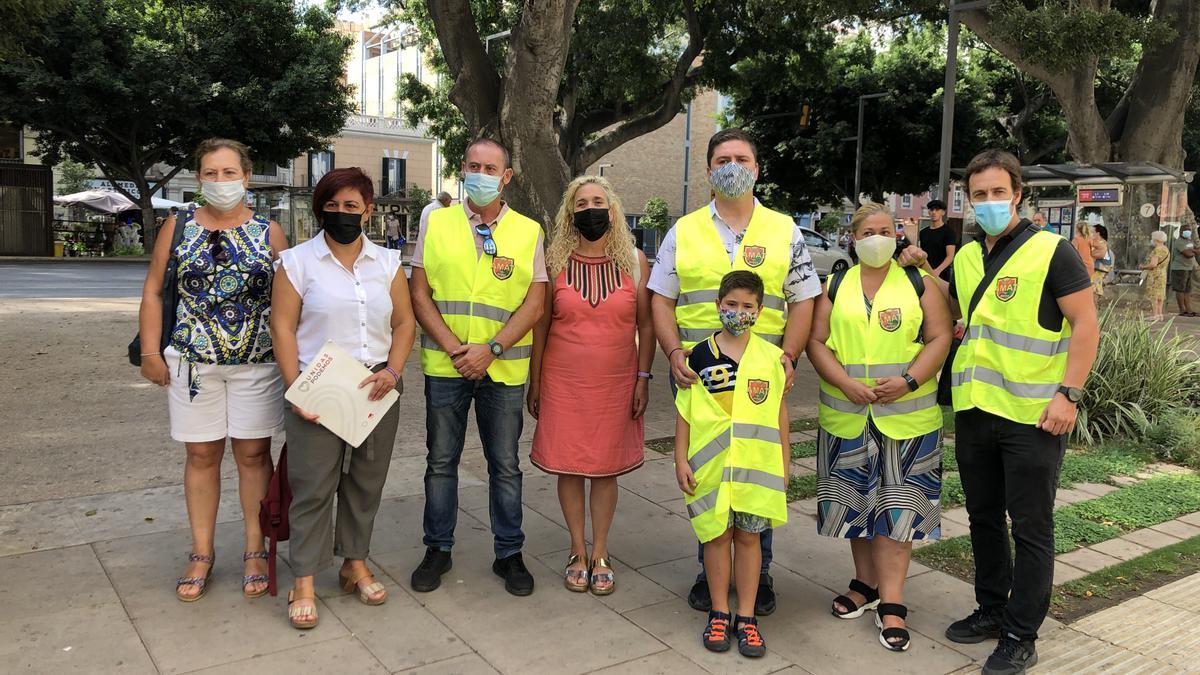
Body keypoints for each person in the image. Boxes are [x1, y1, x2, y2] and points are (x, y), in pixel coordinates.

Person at [898, 149, 1098, 675]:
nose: (988, 202)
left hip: (1034, 415)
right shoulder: (965, 256)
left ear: (1018, 194)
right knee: (984, 517)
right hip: (975, 409)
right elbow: (967, 309)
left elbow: (1085, 325)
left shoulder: (1054, 251)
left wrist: (1068, 395)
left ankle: (1020, 633)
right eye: (978, 194)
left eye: (997, 192)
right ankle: (991, 609)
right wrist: (927, 273)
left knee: (1031, 526)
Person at [649, 128, 821, 616]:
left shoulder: (785, 229)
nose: (732, 165)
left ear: (757, 168)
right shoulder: (683, 231)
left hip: (760, 377)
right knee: (705, 474)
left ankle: (758, 574)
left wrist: (789, 356)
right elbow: (660, 298)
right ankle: (710, 572)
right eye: (722, 158)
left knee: (756, 472)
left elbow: (804, 299)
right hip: (698, 373)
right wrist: (672, 353)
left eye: (742, 158)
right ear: (708, 170)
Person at [137, 138, 289, 603]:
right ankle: (201, 552)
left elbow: (290, 301)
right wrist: (149, 351)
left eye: (228, 173)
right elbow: (153, 291)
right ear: (199, 179)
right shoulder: (177, 225)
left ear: (246, 176)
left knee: (252, 457)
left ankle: (253, 550)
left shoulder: (270, 231)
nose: (219, 182)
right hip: (191, 366)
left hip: (256, 366)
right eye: (210, 173)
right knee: (201, 457)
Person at [269, 167, 415, 629]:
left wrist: (393, 370)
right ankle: (306, 578)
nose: (342, 214)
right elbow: (283, 327)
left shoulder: (388, 264)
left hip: (376, 384)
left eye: (352, 206)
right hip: (318, 384)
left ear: (369, 211)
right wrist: (295, 388)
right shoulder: (296, 263)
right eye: (332, 206)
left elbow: (404, 323)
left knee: (365, 482)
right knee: (313, 487)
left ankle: (354, 562)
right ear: (320, 210)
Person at [807, 203, 952, 653]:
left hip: (906, 421)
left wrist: (908, 380)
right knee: (856, 509)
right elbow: (816, 340)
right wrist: (844, 382)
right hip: (847, 417)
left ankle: (892, 601)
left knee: (898, 512)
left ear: (899, 235)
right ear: (852, 238)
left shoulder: (918, 282)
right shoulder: (836, 284)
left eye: (886, 230)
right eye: (868, 231)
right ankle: (864, 585)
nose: (877, 237)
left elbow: (940, 336)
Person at [408, 139, 546, 596]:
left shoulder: (528, 231)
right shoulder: (437, 222)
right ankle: (437, 549)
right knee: (440, 463)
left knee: (505, 465)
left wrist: (491, 348)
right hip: (446, 368)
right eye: (474, 166)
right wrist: (455, 349)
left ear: (507, 176)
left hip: (503, 370)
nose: (482, 174)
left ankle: (509, 553)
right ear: (462, 170)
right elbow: (420, 292)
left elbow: (535, 302)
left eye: (492, 168)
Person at [527, 176, 654, 595]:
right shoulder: (554, 261)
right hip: (563, 381)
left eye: (598, 201)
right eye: (581, 203)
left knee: (604, 469)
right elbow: (541, 325)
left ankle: (600, 552)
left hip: (617, 381)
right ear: (570, 213)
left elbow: (647, 324)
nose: (590, 209)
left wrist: (643, 377)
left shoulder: (634, 261)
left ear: (613, 210)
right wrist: (536, 381)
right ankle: (575, 549)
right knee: (569, 464)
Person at [674, 270, 789, 659]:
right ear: (717, 306)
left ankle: (747, 617)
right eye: (731, 305)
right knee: (716, 536)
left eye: (747, 306)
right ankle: (719, 611)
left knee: (750, 539)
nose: (738, 312)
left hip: (755, 469)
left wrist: (785, 464)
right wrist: (680, 458)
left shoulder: (772, 358)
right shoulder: (699, 355)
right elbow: (685, 411)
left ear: (760, 311)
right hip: (711, 467)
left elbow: (779, 414)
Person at [919, 199, 957, 281]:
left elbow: (950, 256)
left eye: (937, 210)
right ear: (928, 212)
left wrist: (937, 271)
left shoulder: (949, 232)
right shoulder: (923, 232)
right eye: (931, 210)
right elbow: (922, 253)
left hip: (941, 274)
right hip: (924, 273)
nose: (934, 212)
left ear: (943, 212)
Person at [1141, 230, 1170, 321]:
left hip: (1155, 275)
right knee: (1160, 295)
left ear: (1156, 239)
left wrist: (1143, 267)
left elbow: (1153, 264)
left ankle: (1155, 315)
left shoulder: (1157, 250)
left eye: (1152, 238)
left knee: (1154, 295)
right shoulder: (1166, 249)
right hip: (1163, 273)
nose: (1151, 240)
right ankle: (1160, 314)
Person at [1168, 225, 1196, 317]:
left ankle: (1189, 310)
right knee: (1180, 290)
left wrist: (1193, 250)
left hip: (1189, 268)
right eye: (1186, 230)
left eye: (1189, 230)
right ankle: (1182, 310)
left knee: (1187, 290)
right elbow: (1188, 254)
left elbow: (1194, 250)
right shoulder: (1179, 242)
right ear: (1181, 231)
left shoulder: (1189, 241)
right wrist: (1194, 251)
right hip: (1179, 268)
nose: (1188, 231)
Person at [1071, 222, 1094, 292]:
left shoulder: (1076, 240)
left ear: (1077, 229)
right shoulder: (1090, 239)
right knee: (1088, 285)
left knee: (1079, 287)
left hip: (1080, 265)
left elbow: (1073, 253)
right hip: (1090, 264)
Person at [1090, 225, 1111, 299]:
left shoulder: (1102, 243)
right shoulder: (1099, 243)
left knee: (1095, 288)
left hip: (1100, 269)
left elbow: (1099, 254)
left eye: (1092, 232)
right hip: (1098, 268)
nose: (1090, 234)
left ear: (1098, 233)